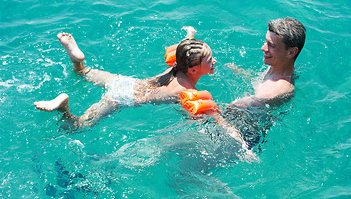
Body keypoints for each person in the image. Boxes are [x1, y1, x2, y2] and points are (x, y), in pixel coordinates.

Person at [34, 27, 216, 130]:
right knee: (79, 126)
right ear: (192, 70)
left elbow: (184, 49)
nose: (214, 61)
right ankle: (64, 108)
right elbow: (196, 114)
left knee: (84, 72)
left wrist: (190, 35)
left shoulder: (177, 65)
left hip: (124, 82)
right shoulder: (186, 91)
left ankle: (77, 60)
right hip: (120, 98)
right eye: (209, 60)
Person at [229, 17, 306, 108]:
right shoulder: (278, 65)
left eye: (272, 45)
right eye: (266, 41)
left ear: (291, 52)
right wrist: (240, 72)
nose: (263, 48)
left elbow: (236, 108)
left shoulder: (275, 89)